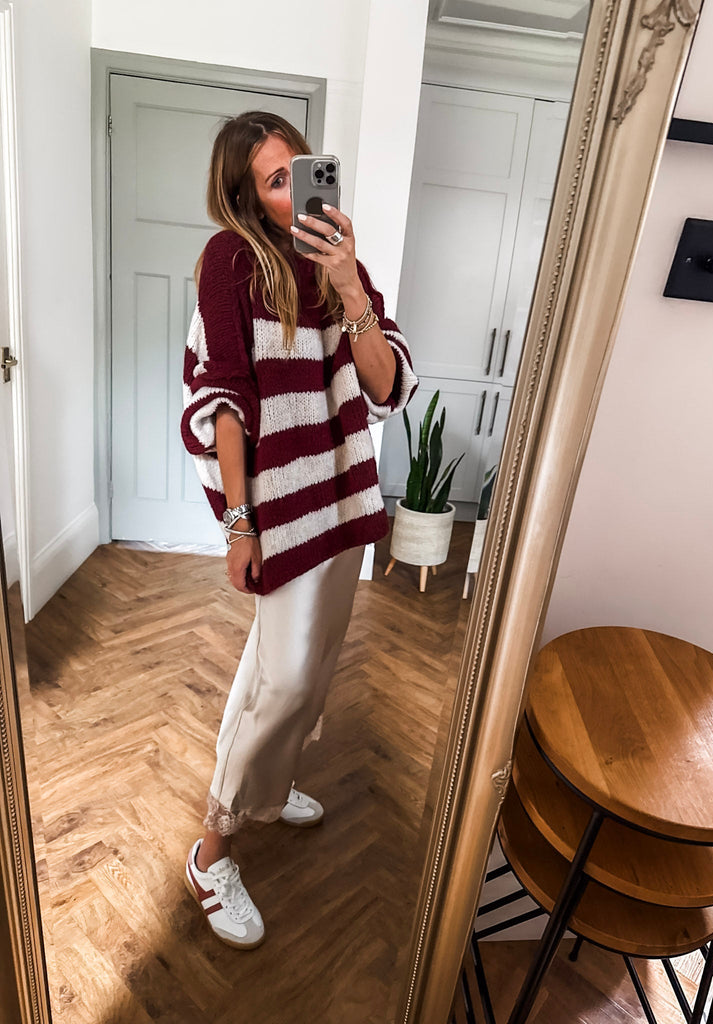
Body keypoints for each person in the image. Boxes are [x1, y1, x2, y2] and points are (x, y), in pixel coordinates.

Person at [180, 111, 417, 949]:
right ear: (247, 195)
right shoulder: (229, 260)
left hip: (343, 502)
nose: (294, 191)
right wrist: (239, 523)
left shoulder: (337, 262)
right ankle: (213, 851)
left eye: (300, 171)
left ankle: (271, 791)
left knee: (309, 670)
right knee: (279, 686)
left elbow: (385, 387)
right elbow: (225, 397)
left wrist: (350, 287)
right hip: (280, 509)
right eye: (275, 181)